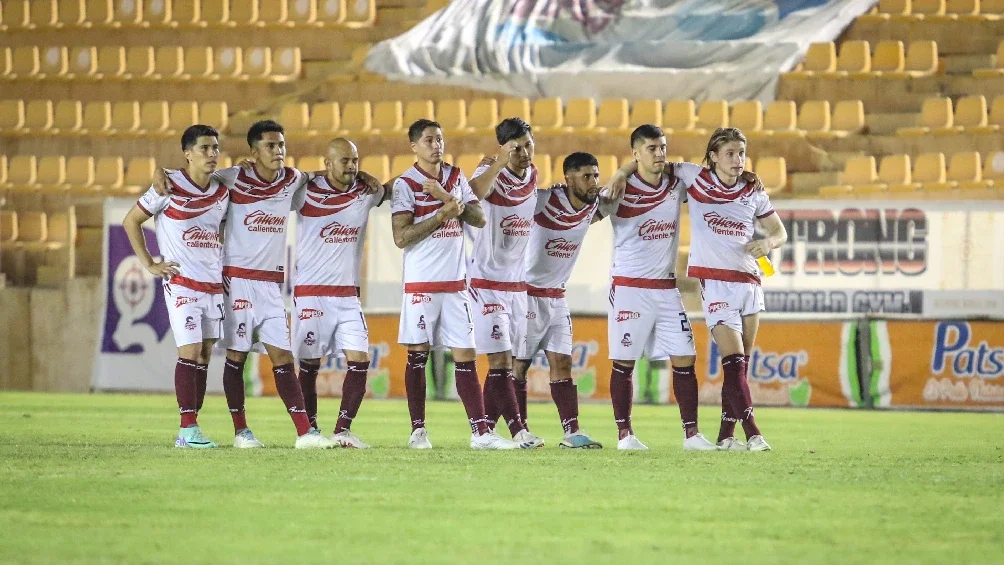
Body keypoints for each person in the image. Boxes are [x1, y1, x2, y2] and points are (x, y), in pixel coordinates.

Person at [153, 120, 379, 448]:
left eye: (281, 145)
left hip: (271, 285)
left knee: (283, 357)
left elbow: (325, 174)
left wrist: (361, 174)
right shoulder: (232, 178)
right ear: (254, 151)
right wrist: (160, 172)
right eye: (270, 146)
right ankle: (241, 432)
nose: (278, 151)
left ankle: (305, 434)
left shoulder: (292, 179)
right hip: (237, 280)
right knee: (237, 356)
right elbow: (195, 175)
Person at [622, 127, 786, 452]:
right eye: (730, 154)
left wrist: (768, 242)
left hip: (749, 283)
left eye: (742, 153)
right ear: (713, 156)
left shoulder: (753, 191)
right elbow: (651, 165)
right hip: (716, 285)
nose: (738, 160)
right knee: (733, 361)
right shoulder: (694, 177)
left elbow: (779, 232)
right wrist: (619, 175)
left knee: (740, 368)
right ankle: (754, 434)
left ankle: (726, 436)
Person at [390, 119, 522, 450]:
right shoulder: (406, 184)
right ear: (414, 146)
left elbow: (479, 218)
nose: (437, 145)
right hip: (421, 285)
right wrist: (441, 215)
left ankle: (481, 434)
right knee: (418, 355)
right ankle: (418, 431)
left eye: (440, 139)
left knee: (466, 356)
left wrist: (450, 200)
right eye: (429, 140)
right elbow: (401, 237)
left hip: (456, 285)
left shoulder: (455, 176)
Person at [599, 125, 713, 451]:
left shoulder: (676, 183)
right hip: (630, 288)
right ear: (635, 153)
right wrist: (619, 174)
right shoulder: (619, 190)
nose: (660, 153)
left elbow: (714, 179)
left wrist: (746, 177)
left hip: (666, 288)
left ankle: (692, 435)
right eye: (652, 148)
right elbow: (588, 216)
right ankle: (625, 436)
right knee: (624, 362)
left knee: (685, 357)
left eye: (663, 146)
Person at [122, 125, 227, 448]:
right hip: (181, 283)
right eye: (205, 148)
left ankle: (193, 424)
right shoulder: (168, 185)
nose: (212, 154)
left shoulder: (222, 191)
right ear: (187, 153)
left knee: (205, 354)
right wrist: (150, 263)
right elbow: (131, 220)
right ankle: (187, 429)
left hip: (213, 285)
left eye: (215, 147)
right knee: (190, 351)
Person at [293, 138, 385, 449]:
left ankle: (343, 431)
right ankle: (310, 430)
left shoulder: (366, 192)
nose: (352, 166)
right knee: (309, 364)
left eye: (355, 160)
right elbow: (272, 188)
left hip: (348, 296)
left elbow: (394, 187)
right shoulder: (305, 191)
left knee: (360, 359)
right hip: (311, 293)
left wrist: (371, 177)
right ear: (328, 163)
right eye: (344, 160)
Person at [512, 152, 604, 449]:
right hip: (527, 295)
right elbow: (509, 207)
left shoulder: (593, 206)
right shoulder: (543, 200)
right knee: (519, 366)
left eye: (596, 175)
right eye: (586, 176)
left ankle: (572, 432)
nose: (593, 182)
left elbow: (621, 190)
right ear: (569, 178)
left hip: (557, 297)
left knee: (563, 363)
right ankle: (520, 431)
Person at [465, 117, 544, 448]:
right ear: (503, 148)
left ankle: (483, 432)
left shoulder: (533, 174)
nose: (525, 153)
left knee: (509, 363)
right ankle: (519, 431)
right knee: (500, 360)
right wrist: (497, 164)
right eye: (516, 148)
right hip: (487, 283)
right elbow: (471, 195)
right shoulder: (489, 171)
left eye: (528, 145)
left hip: (516, 285)